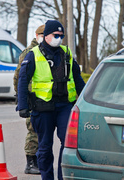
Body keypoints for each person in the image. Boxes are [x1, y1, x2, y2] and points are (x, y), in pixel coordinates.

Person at [17, 20, 85, 180]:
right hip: (42, 108)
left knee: (67, 143)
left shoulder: (66, 53)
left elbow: (78, 79)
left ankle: (62, 177)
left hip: (64, 106)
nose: (59, 38)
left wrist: (85, 100)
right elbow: (22, 80)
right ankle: (47, 177)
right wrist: (22, 105)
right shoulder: (33, 54)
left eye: (61, 36)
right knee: (45, 146)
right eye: (55, 35)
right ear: (46, 35)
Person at [13, 24, 45, 174]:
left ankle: (38, 161)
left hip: (43, 98)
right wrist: (21, 98)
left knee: (41, 131)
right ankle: (30, 163)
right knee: (33, 131)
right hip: (32, 98)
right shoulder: (29, 52)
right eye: (44, 35)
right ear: (38, 35)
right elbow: (19, 77)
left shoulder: (45, 51)